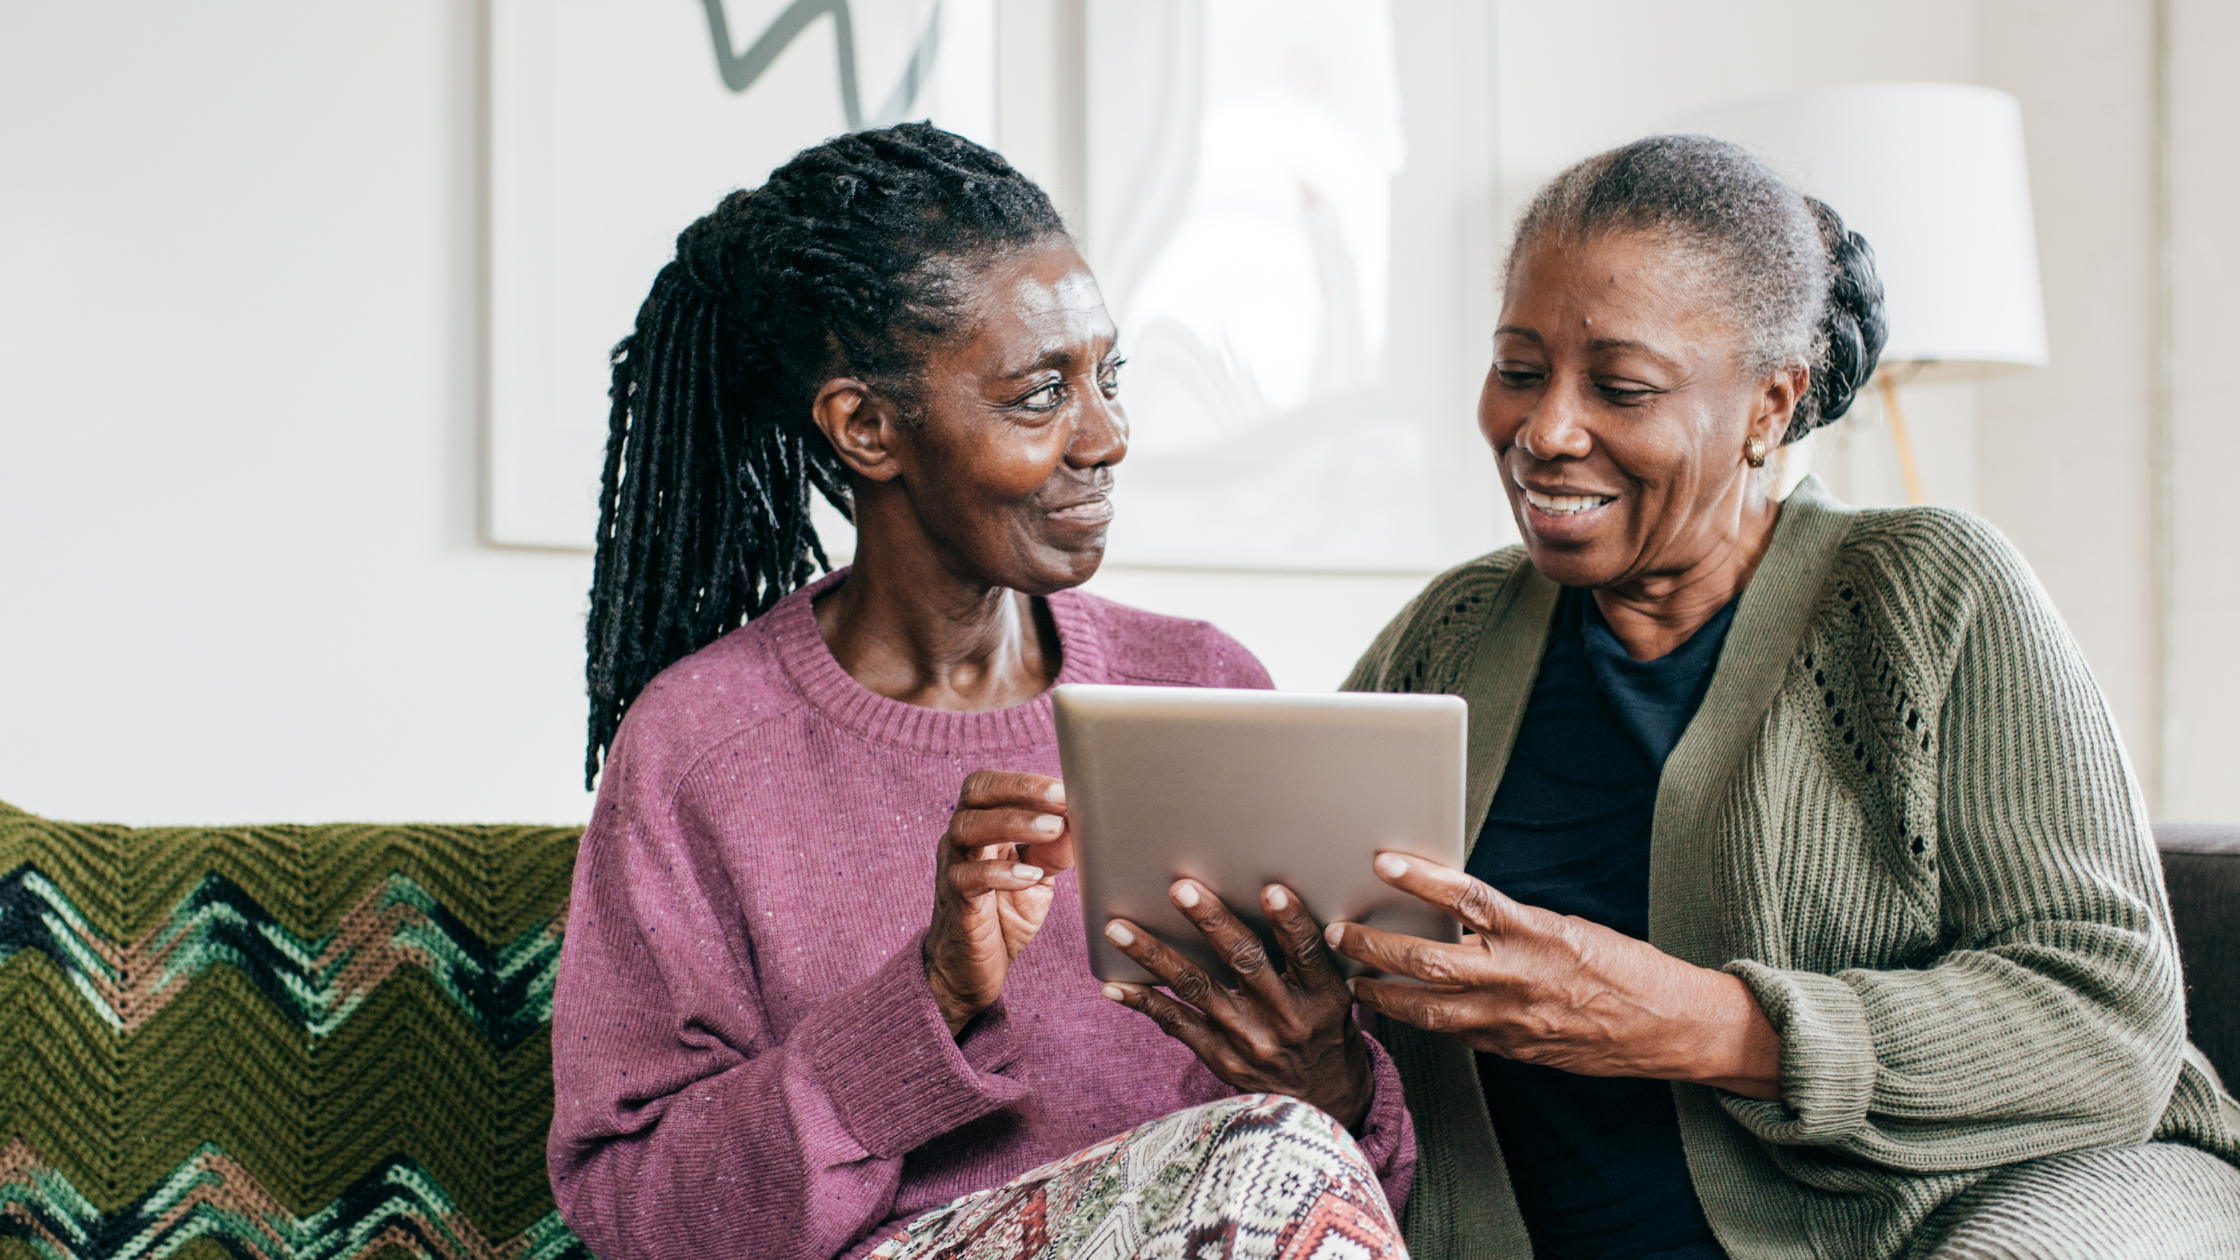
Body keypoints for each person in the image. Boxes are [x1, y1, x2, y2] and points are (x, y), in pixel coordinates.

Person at [1331, 134, 2240, 1258]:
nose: (1543, 431)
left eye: (1619, 387)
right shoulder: (1450, 633)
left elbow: (2105, 1029)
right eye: (1518, 369)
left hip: (1947, 1223)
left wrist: (1702, 1024)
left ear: (1770, 404)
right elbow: (1351, 980)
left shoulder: (1923, 592)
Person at [546, 124, 1414, 1260]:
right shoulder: (701, 747)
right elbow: (636, 1213)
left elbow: (1345, 1190)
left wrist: (1330, 1078)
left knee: (1282, 1150)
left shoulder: (1201, 685)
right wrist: (931, 996)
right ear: (867, 426)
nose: (1103, 438)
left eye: (1107, 376)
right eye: (1037, 394)